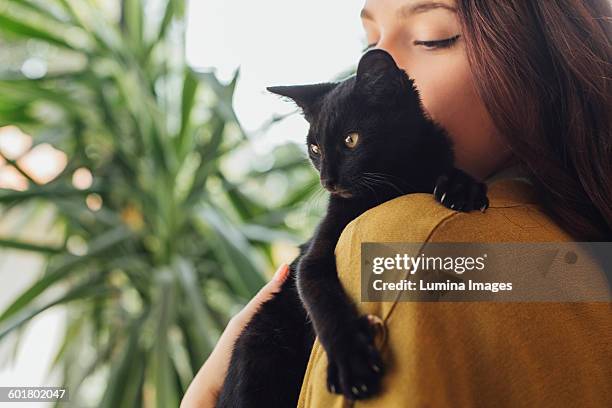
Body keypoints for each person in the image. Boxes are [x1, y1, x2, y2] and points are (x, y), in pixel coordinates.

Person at [182, 0, 611, 406]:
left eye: (433, 36)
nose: (385, 64)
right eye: (370, 42)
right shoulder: (578, 255)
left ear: (540, 49)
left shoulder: (405, 245)